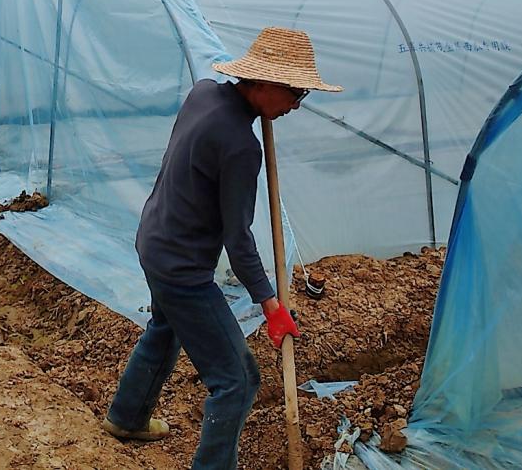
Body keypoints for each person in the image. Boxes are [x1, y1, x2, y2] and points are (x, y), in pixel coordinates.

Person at [103, 26, 342, 470]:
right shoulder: (239, 146)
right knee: (236, 379)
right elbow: (239, 239)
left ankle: (128, 417)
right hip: (182, 268)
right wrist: (271, 305)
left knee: (165, 328)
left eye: (302, 96)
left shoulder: (204, 94)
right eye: (294, 94)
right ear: (266, 83)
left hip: (153, 239)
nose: (295, 105)